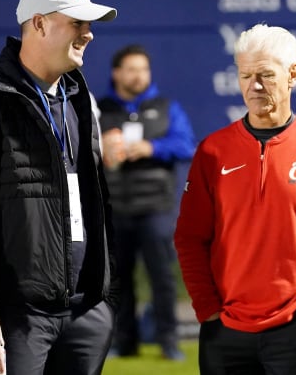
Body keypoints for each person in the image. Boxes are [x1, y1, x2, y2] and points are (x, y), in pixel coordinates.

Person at [0, 0, 119, 375]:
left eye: (89, 25)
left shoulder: (77, 100)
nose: (88, 34)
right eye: (76, 23)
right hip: (15, 319)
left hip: (85, 314)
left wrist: (103, 302)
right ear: (38, 24)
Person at [174, 23, 296, 374]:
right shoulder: (213, 151)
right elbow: (189, 237)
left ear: (293, 74)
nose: (254, 86)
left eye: (265, 75)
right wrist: (208, 310)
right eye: (245, 75)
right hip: (225, 332)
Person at [97, 44, 195, 360]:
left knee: (162, 278)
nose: (138, 75)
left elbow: (185, 145)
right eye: (131, 68)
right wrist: (101, 147)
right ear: (117, 73)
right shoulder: (101, 109)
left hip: (156, 208)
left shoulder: (166, 107)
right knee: (116, 282)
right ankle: (124, 342)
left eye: (143, 69)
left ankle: (168, 341)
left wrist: (152, 148)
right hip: (114, 208)